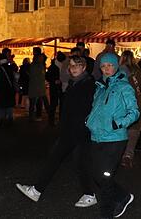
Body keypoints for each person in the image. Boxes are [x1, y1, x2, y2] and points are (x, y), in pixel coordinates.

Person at [16, 55, 98, 208]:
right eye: (71, 65)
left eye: (77, 65)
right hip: (76, 130)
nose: (73, 68)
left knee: (55, 158)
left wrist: (71, 128)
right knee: (80, 163)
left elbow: (82, 110)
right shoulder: (77, 83)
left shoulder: (87, 84)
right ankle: (89, 194)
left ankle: (36, 190)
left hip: (75, 130)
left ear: (84, 67)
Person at [86, 53, 139, 219]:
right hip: (97, 137)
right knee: (97, 175)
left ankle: (106, 214)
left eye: (109, 65)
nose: (106, 69)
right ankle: (123, 196)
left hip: (115, 139)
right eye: (103, 66)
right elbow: (96, 109)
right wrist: (89, 120)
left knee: (105, 177)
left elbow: (134, 112)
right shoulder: (100, 87)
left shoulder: (124, 87)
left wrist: (118, 123)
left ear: (116, 66)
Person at [120, 49, 141, 168]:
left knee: (121, 128)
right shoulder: (139, 72)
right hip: (137, 104)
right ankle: (127, 155)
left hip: (122, 104)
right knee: (134, 130)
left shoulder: (118, 70)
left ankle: (119, 151)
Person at [0, 51, 18, 127]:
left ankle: (1, 121)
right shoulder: (10, 67)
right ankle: (9, 120)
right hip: (10, 90)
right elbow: (16, 76)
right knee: (9, 106)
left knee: (1, 106)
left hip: (1, 90)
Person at [28, 47, 49, 121]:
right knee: (37, 103)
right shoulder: (38, 65)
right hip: (38, 87)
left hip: (37, 87)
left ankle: (37, 116)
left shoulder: (37, 65)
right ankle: (38, 116)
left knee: (36, 103)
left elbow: (33, 75)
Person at [46, 53, 63, 126]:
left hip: (56, 87)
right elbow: (47, 76)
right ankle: (52, 121)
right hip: (55, 87)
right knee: (54, 104)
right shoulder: (54, 67)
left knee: (56, 104)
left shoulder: (54, 66)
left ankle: (53, 121)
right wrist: (54, 81)